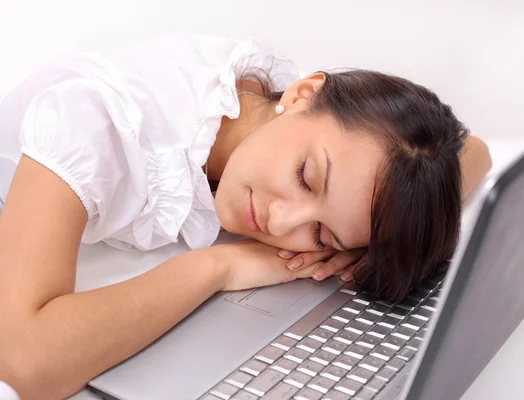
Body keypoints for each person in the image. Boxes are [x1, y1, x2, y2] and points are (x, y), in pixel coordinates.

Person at [0, 33, 491, 399]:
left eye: (320, 234)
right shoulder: (91, 124)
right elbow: (27, 359)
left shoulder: (290, 116)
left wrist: (376, 238)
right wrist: (219, 268)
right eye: (306, 176)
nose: (280, 224)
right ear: (301, 94)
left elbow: (474, 152)